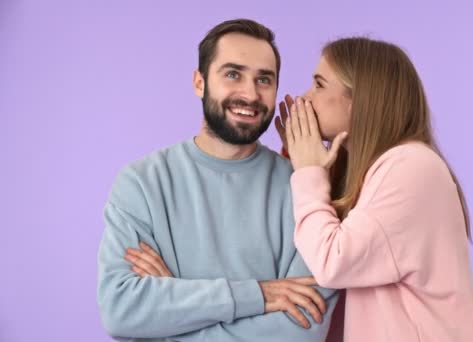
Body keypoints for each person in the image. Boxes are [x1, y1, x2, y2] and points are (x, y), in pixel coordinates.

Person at [97, 18, 338, 341]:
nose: (250, 94)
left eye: (264, 79)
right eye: (233, 74)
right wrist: (256, 296)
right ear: (200, 82)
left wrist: (173, 312)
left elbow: (300, 331)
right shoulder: (141, 184)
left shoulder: (304, 192)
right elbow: (121, 309)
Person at [280, 37, 473, 342]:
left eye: (319, 85)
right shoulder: (371, 169)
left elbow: (332, 262)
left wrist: (308, 171)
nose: (305, 98)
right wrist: (298, 160)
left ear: (359, 100)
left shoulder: (412, 167)